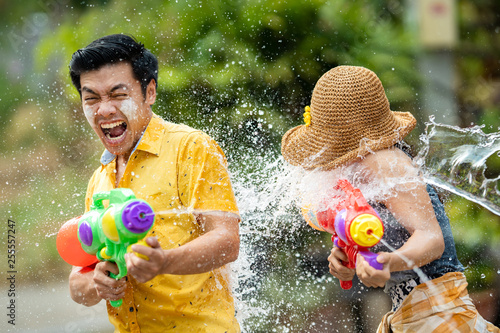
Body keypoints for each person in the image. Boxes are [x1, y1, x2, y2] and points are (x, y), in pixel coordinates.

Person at [281, 65, 500, 332]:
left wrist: (387, 262)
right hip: (418, 314)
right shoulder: (366, 169)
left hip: (439, 315)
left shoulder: (384, 161)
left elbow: (431, 239)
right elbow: (389, 239)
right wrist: (349, 258)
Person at [67, 34, 241, 332]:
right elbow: (77, 284)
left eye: (118, 94)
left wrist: (165, 262)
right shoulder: (99, 180)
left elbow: (227, 242)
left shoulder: (192, 148)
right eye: (92, 98)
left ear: (149, 92)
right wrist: (97, 283)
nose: (104, 109)